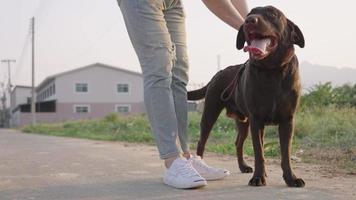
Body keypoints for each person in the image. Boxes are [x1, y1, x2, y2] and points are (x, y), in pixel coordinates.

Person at [117, 0, 248, 189]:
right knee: (159, 67)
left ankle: (185, 158)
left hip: (173, 3)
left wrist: (252, 24)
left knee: (179, 73)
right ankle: (172, 161)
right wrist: (246, 30)